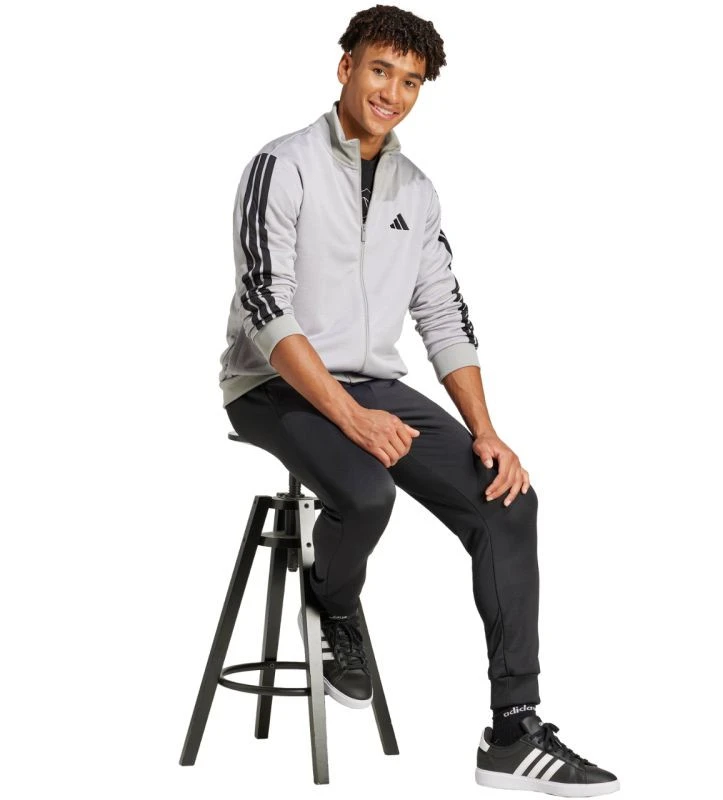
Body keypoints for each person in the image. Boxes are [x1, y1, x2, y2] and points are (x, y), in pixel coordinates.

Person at [219, 4, 619, 795]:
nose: (392, 94)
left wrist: (487, 432)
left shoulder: (416, 189)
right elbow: (266, 305)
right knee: (366, 492)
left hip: (372, 384)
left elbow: (442, 310)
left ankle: (514, 732)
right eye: (380, 71)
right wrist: (351, 417)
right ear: (346, 68)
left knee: (506, 499)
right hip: (271, 382)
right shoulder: (283, 164)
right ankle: (332, 607)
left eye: (410, 82)